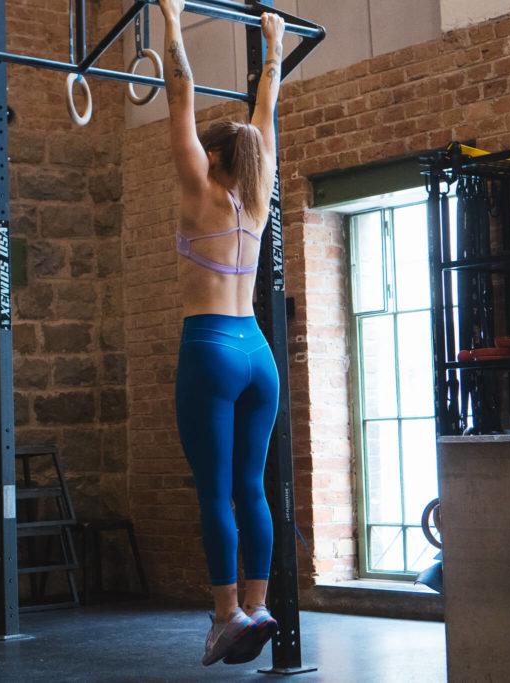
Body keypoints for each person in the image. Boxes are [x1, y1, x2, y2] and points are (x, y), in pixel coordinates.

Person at [158, 0, 286, 668]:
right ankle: (259, 604)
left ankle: (225, 614)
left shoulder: (199, 185)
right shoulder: (257, 196)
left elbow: (179, 88)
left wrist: (172, 22)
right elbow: (264, 116)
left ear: (211, 153)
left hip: (209, 346)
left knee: (214, 489)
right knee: (251, 485)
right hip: (256, 351)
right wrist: (274, 45)